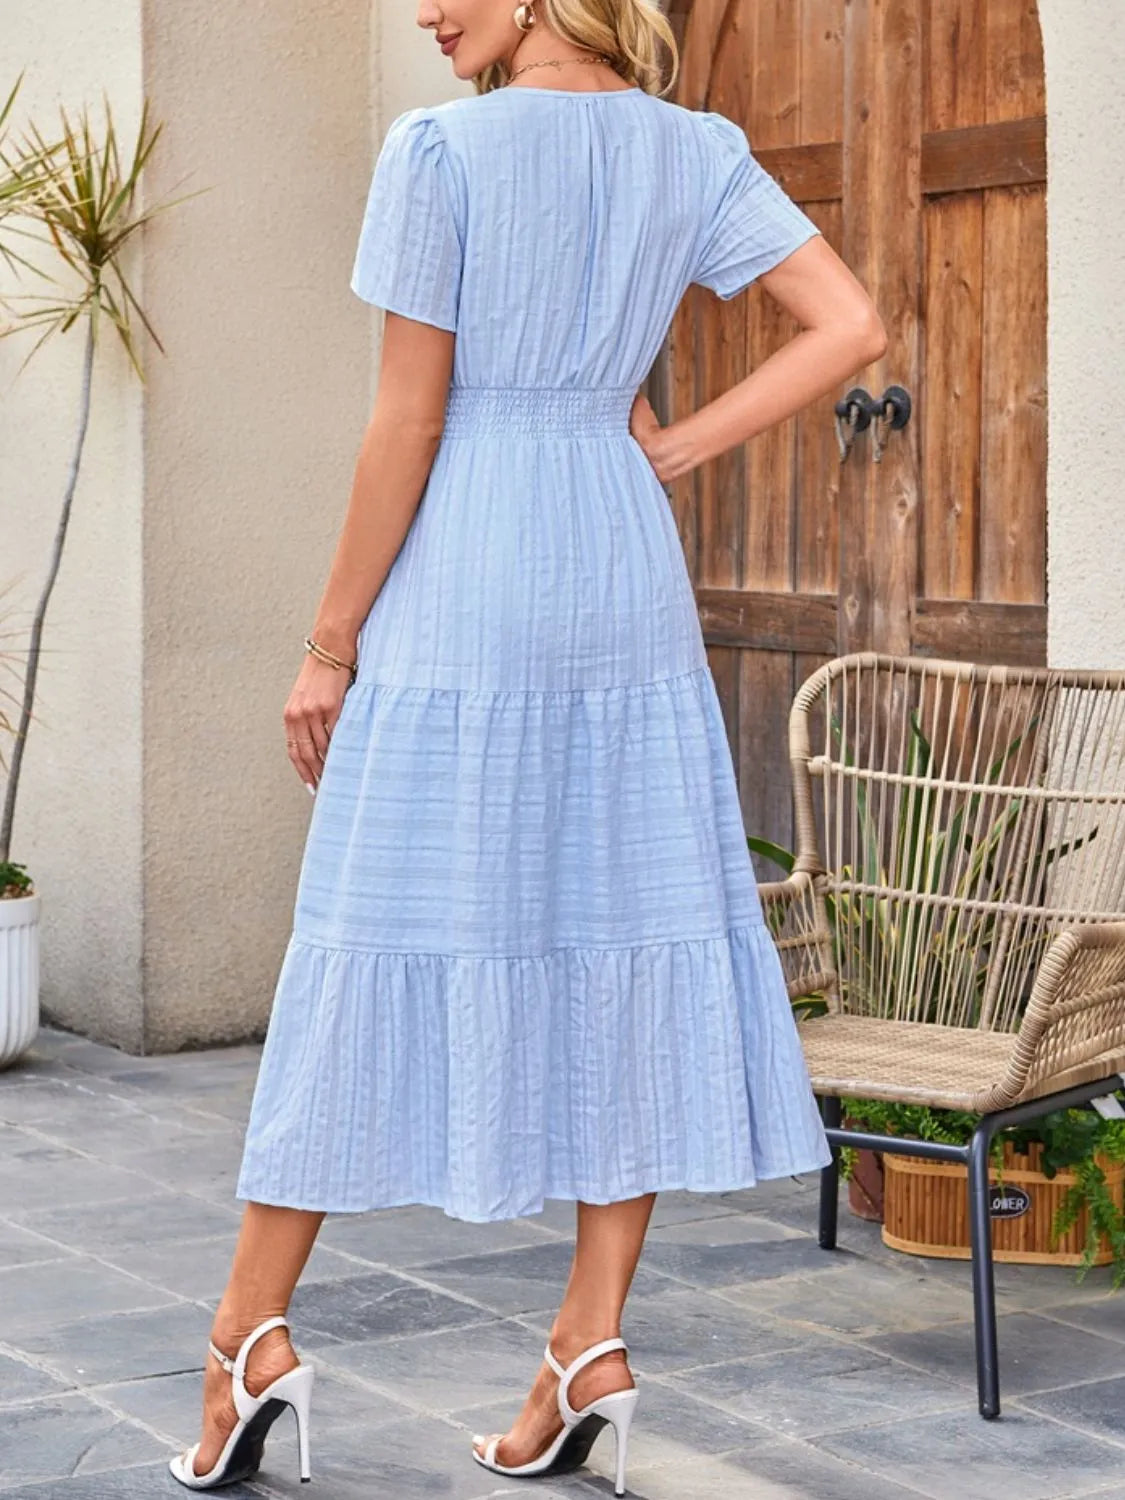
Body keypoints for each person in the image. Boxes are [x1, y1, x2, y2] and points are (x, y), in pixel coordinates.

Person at [169, 0, 887, 1492]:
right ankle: (589, 1342)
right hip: (617, 565)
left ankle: (248, 1333)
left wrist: (329, 643)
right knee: (625, 922)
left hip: (471, 568)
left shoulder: (440, 150)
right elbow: (850, 324)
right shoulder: (694, 149)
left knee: (369, 923)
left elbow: (408, 422)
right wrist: (670, 448)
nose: (426, 9)